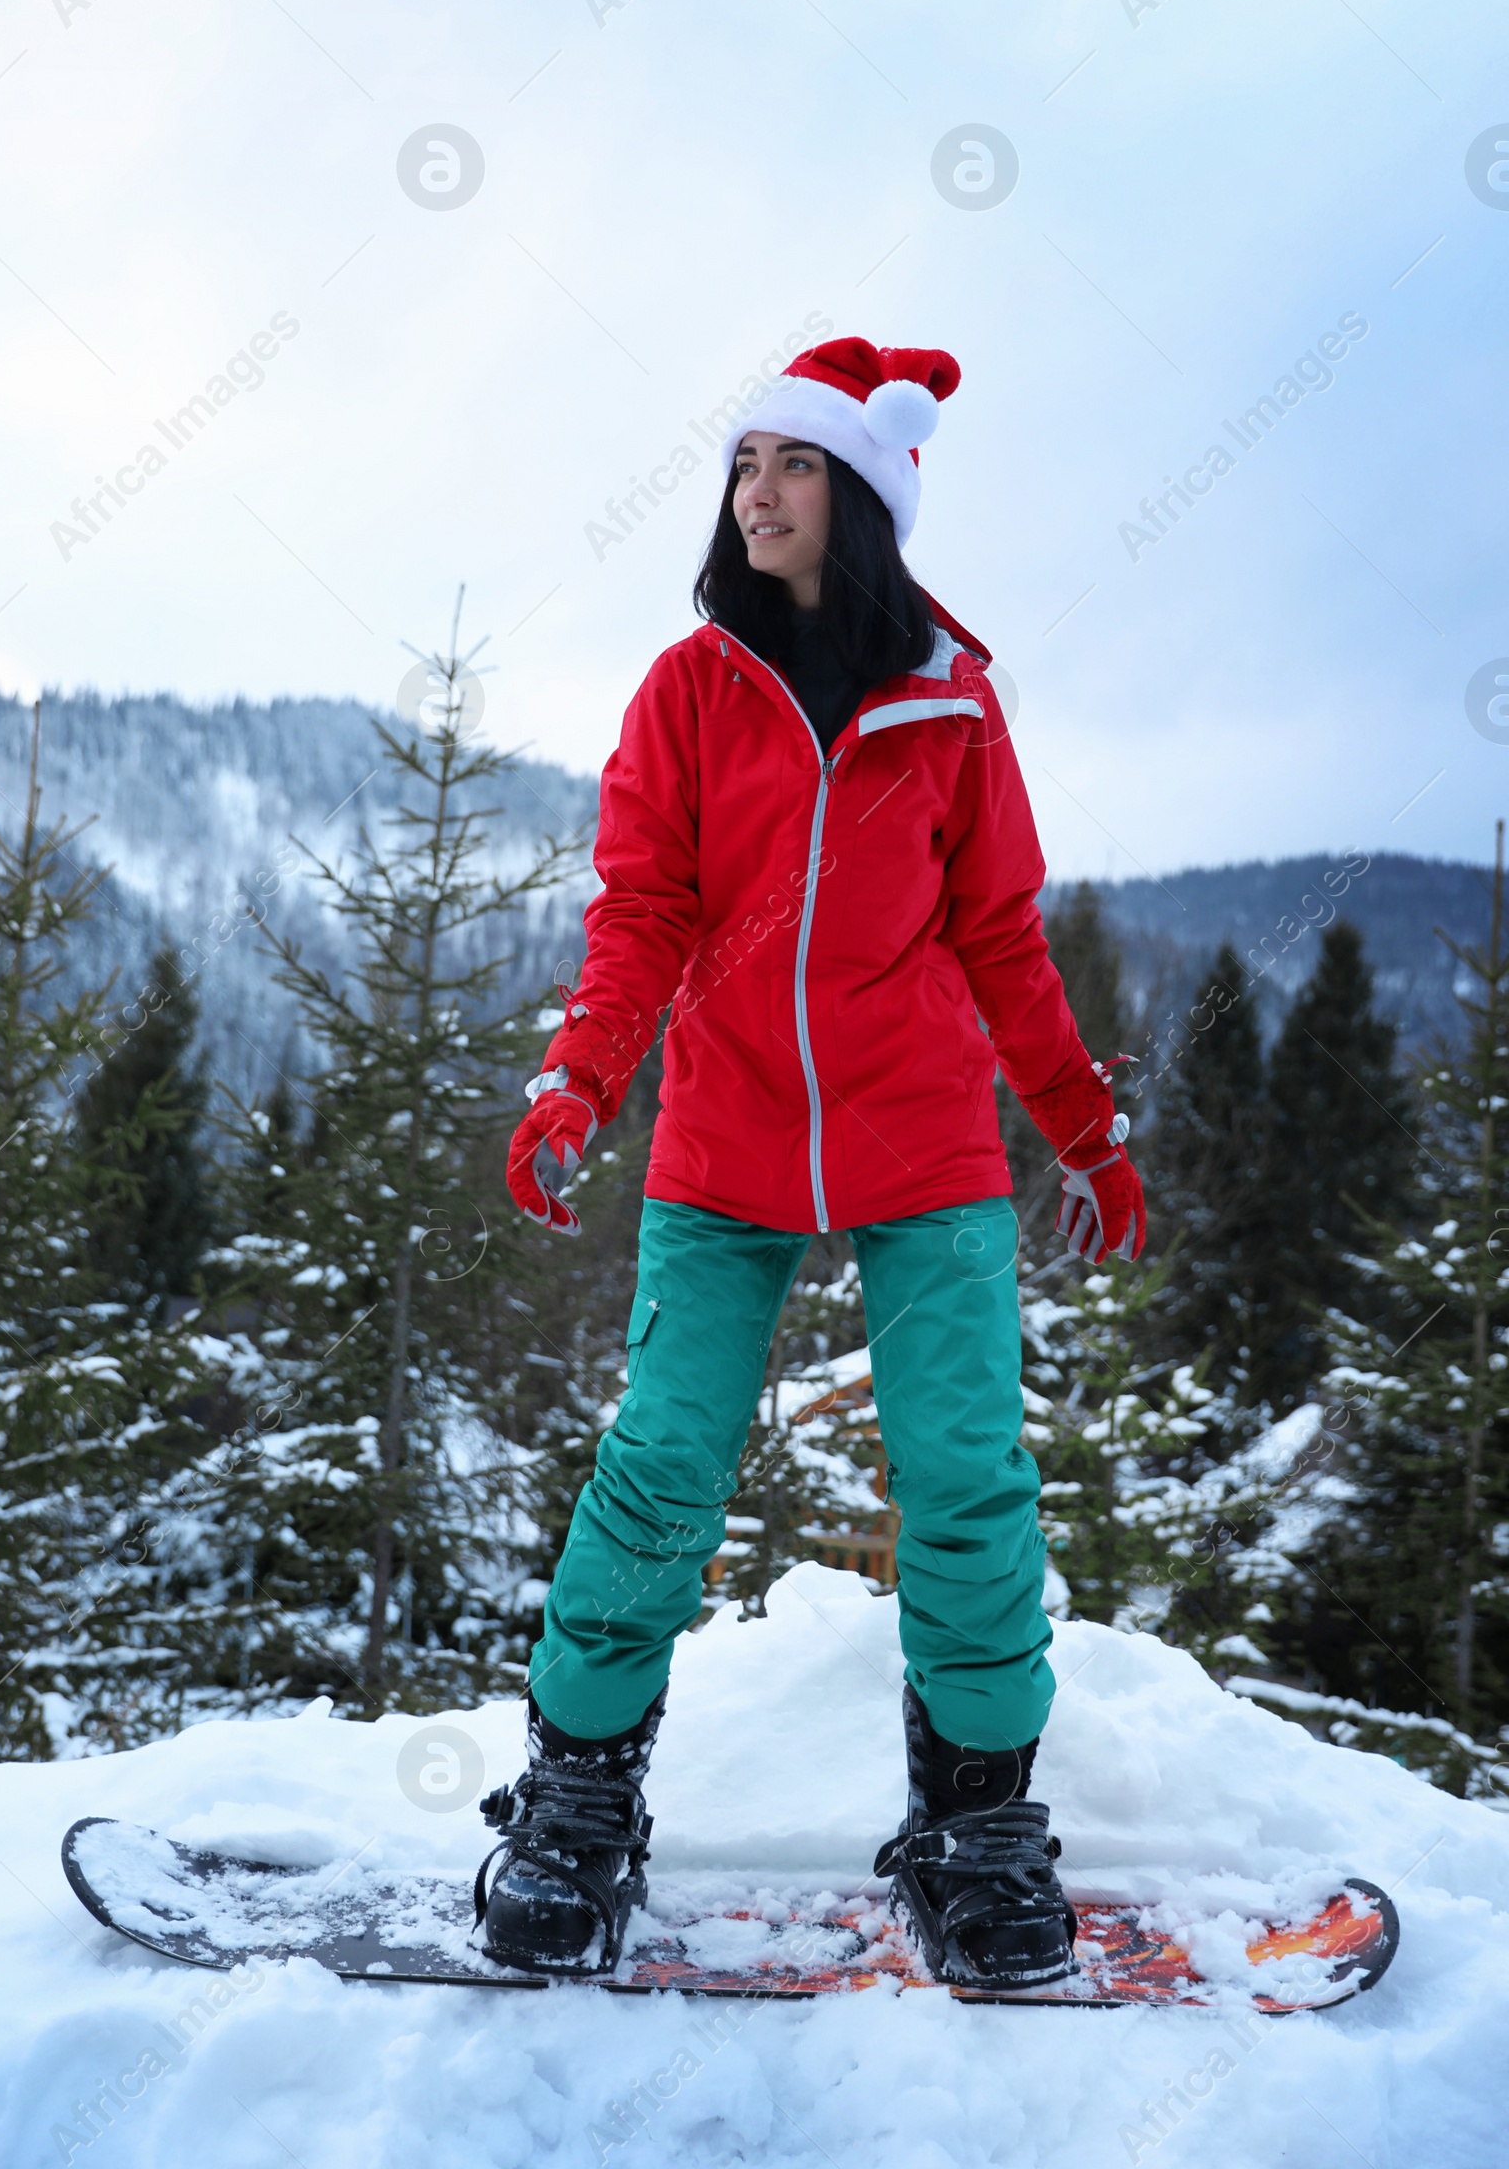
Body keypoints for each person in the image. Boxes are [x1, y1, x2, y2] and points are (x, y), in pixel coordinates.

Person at [474, 335, 1146, 1987]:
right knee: (662, 1471)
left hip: (924, 1149)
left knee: (969, 1486)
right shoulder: (690, 692)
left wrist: (1084, 1128)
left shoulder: (951, 707)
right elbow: (640, 913)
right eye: (746, 466)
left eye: (792, 466)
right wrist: (580, 1083)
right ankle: (574, 1808)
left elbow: (1000, 937)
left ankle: (975, 1830)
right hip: (723, 1137)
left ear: (859, 496)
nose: (757, 493)